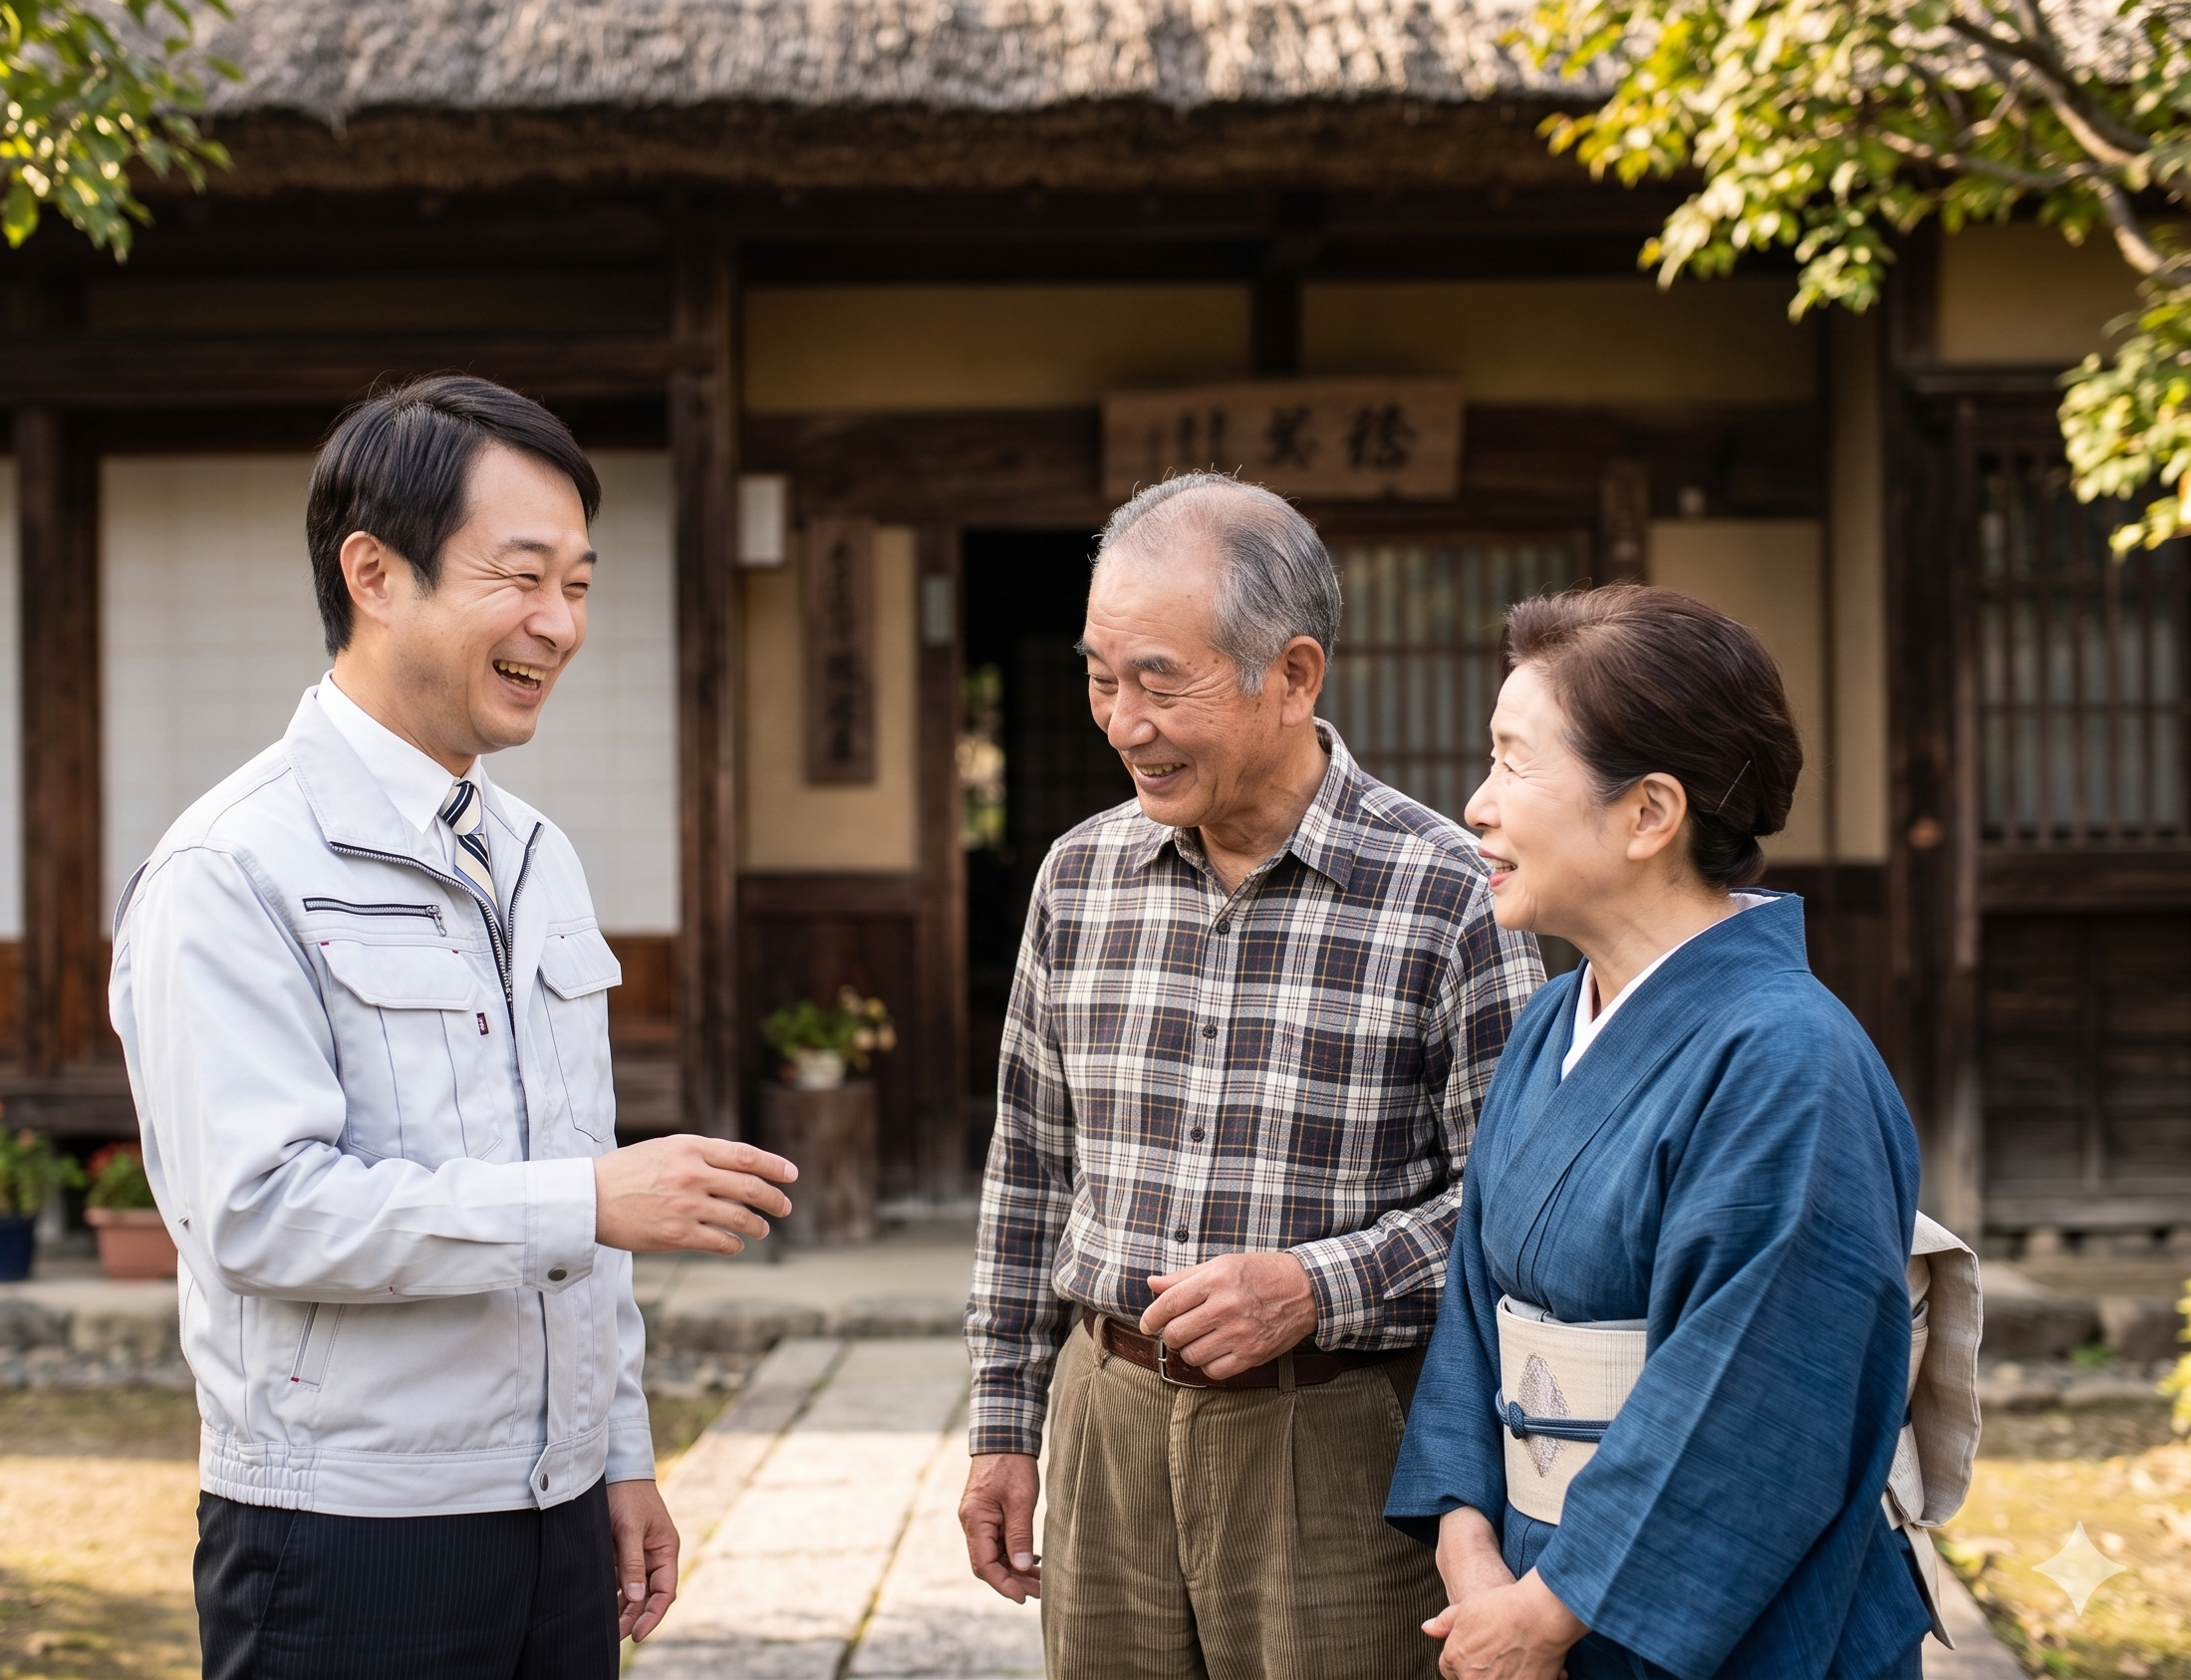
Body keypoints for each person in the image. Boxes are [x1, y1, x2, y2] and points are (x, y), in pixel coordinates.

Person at [110, 375, 800, 1680]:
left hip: (555, 1518)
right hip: (345, 1537)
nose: (560, 624)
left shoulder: (535, 854)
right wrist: (587, 1201)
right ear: (374, 574)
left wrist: (616, 1451)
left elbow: (572, 1173)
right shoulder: (233, 867)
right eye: (522, 577)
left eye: (578, 585)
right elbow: (258, 1213)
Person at [959, 472, 1546, 1680]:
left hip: (1336, 1435)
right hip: (1106, 1420)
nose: (1121, 723)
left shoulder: (1446, 893)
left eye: (1157, 681)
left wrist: (1313, 1287)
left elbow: (1516, 1211)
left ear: (1291, 676)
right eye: (1099, 679)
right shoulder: (1077, 877)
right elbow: (1028, 1172)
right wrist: (1001, 1426)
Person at [1383, 583, 1937, 1680]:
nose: (1476, 805)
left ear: (1648, 814)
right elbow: (1475, 1319)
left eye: (1513, 764)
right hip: (1526, 1575)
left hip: (1709, 1617)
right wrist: (1465, 1540)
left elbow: (1753, 1402)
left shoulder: (1788, 1060)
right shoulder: (1552, 1019)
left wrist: (1551, 1613)